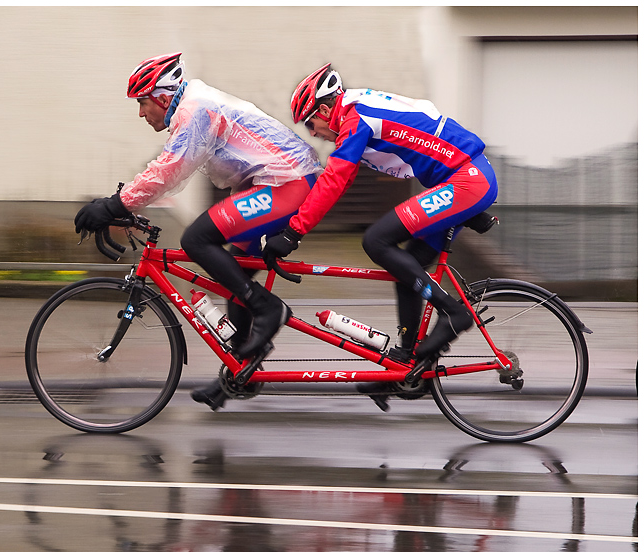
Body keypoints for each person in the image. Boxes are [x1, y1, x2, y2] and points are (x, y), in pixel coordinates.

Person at [74, 52, 323, 410]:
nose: (141, 113)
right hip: (270, 185)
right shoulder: (192, 108)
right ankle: (242, 371)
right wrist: (120, 204)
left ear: (162, 96)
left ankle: (269, 310)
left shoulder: (196, 110)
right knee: (235, 273)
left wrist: (115, 205)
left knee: (196, 239)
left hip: (290, 184)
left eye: (143, 103)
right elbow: (170, 171)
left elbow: (169, 170)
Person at [263, 64, 498, 409]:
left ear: (326, 111)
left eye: (311, 123)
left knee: (376, 241)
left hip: (466, 180)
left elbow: (334, 181)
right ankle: (408, 365)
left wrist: (294, 232)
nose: (313, 133)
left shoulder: (356, 118)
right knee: (408, 270)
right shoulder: (358, 109)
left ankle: (452, 312)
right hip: (463, 179)